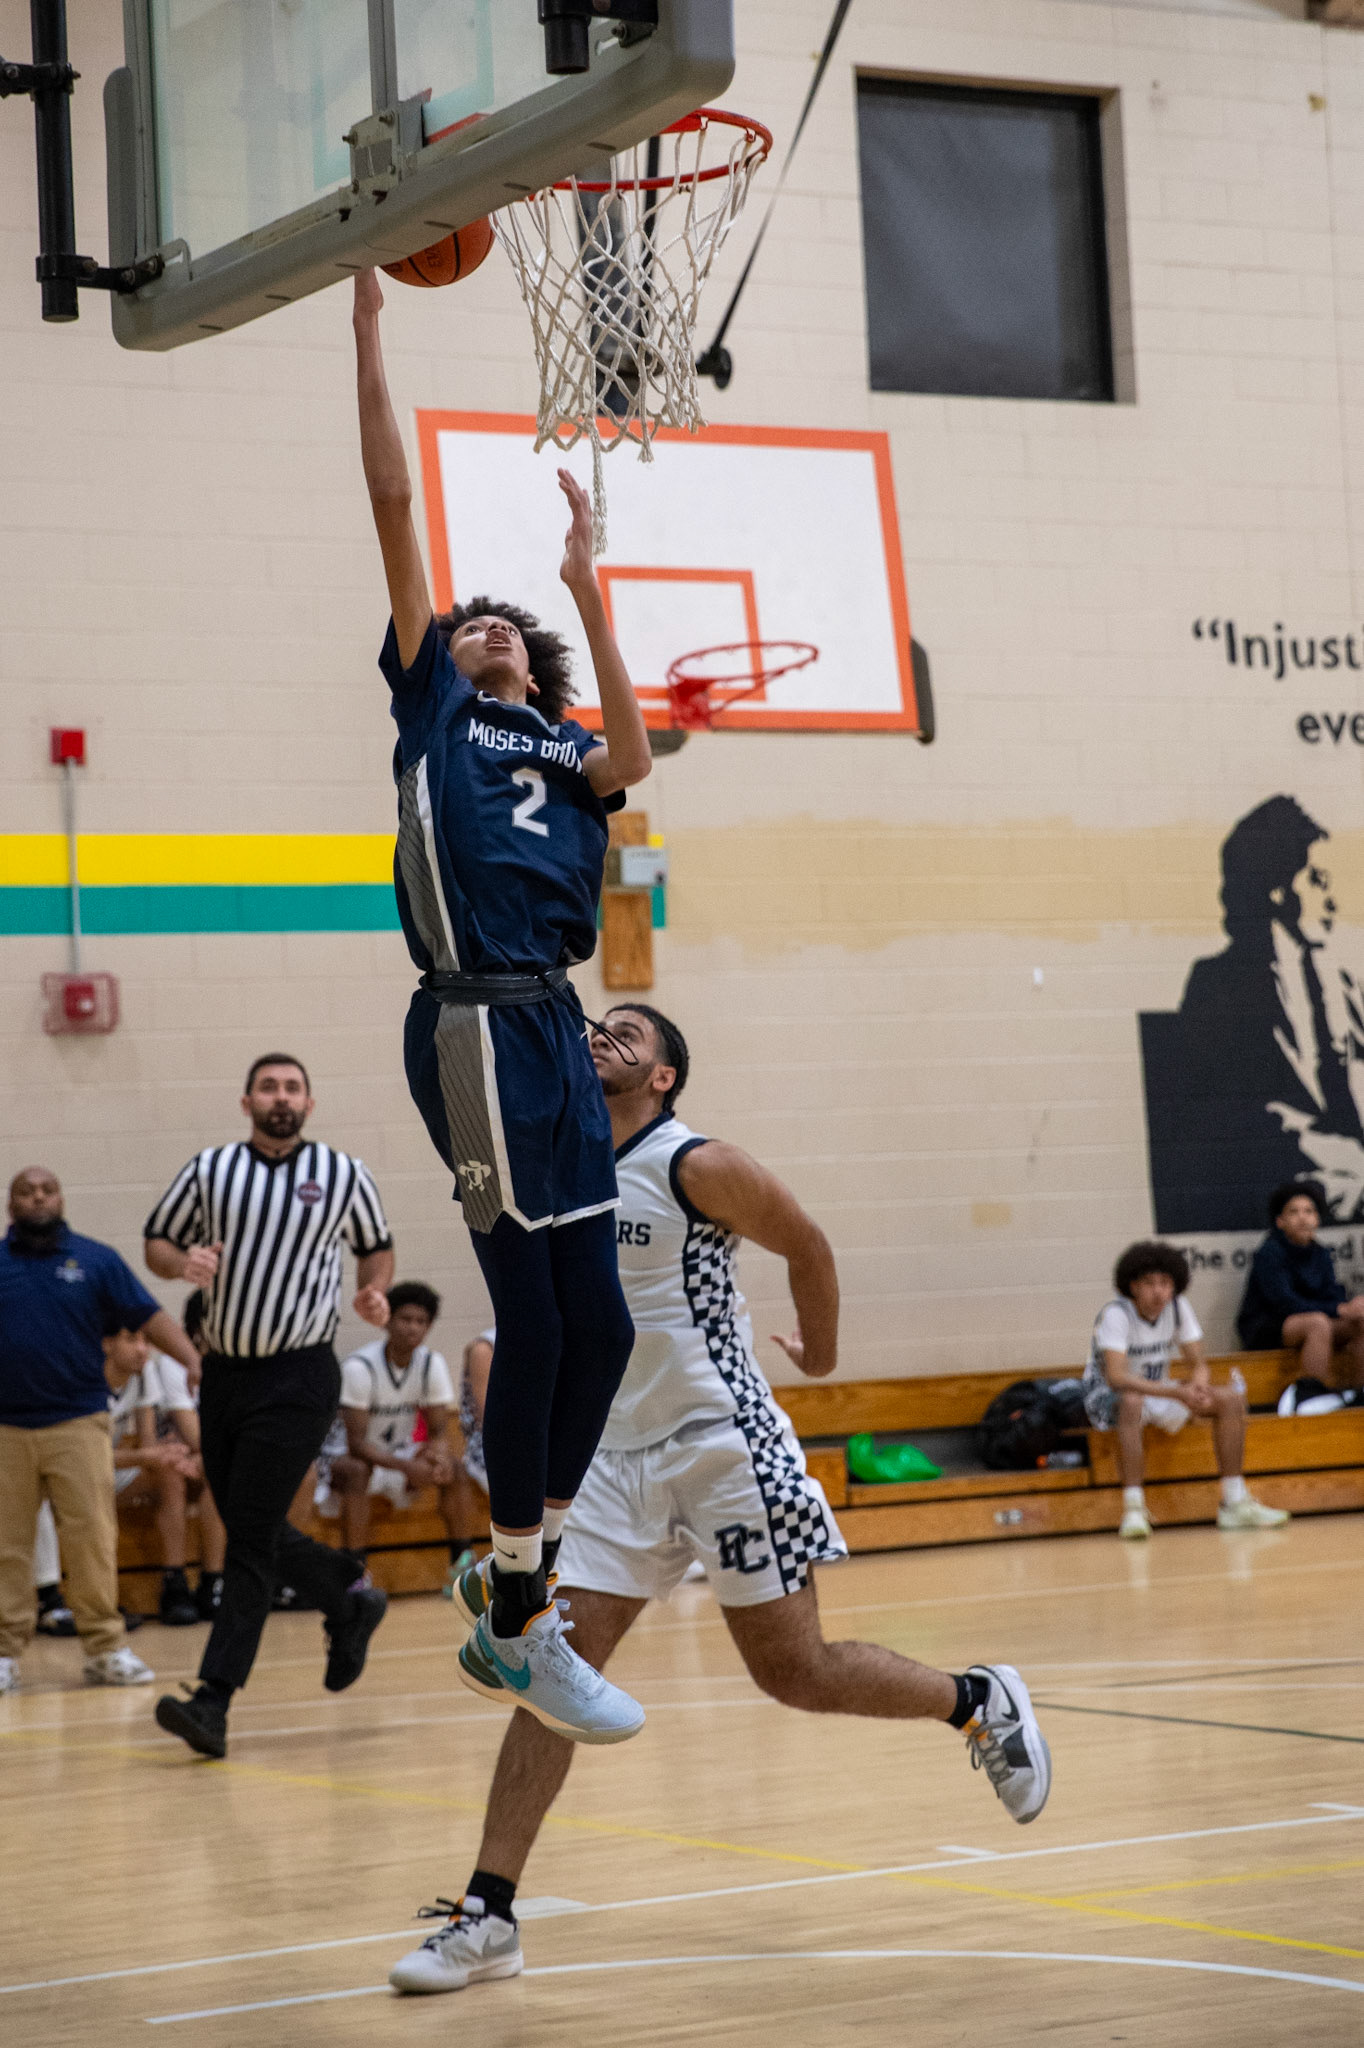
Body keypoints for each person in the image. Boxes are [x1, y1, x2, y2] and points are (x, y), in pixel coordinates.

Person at [388, 1005, 1052, 1996]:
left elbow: (807, 1244)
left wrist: (820, 1355)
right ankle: (487, 1915)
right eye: (598, 1026)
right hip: (610, 1458)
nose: (604, 1035)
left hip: (719, 1442)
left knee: (795, 1672)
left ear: (664, 1076)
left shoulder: (694, 1161)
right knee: (553, 1678)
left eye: (629, 1032)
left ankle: (976, 1701)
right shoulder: (557, 1162)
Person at [352, 270, 651, 1742]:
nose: (480, 630)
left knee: (603, 1327)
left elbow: (634, 763)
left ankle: (518, 1581)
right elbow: (396, 508)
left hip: (555, 1022)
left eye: (500, 627)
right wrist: (367, 333)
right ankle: (525, 1613)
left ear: (535, 660)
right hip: (472, 1017)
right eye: (464, 625)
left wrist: (587, 587)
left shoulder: (568, 741)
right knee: (530, 1315)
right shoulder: (438, 712)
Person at [143, 1053, 395, 1757]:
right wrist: (181, 1264)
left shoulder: (343, 1173)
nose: (280, 1097)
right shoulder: (211, 1169)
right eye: (268, 1087)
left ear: (308, 1104)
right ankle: (347, 1597)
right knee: (247, 1523)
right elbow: (157, 1242)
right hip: (224, 1374)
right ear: (247, 1101)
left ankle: (214, 1700)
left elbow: (377, 1248)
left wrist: (374, 1290)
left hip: (299, 1374)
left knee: (250, 1535)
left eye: (292, 1088)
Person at [0, 1165, 201, 1693]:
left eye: (47, 1190)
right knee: (7, 1545)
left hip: (78, 1422)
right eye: (26, 1191)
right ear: (11, 1204)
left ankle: (105, 1648)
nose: (38, 1197)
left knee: (91, 1538)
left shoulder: (96, 1260)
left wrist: (191, 1359)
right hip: (6, 1430)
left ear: (61, 1199)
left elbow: (149, 1315)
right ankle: (3, 1652)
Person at [1083, 1240, 1290, 1541]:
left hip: (1157, 1391)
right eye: (1149, 1283)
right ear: (1133, 1286)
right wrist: (1177, 1393)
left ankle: (1234, 1502)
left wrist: (1198, 1387)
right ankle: (1134, 1509)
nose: (1158, 1292)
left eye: (1165, 1283)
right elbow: (1117, 1377)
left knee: (1229, 1399)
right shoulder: (1116, 1314)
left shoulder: (1178, 1308)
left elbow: (1199, 1364)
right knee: (1132, 1402)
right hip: (1107, 1397)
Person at [325, 1283, 482, 1577]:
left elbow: (438, 1432)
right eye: (405, 1319)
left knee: (455, 1469)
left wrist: (437, 1458)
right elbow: (356, 1445)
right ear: (387, 1321)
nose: (413, 1328)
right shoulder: (360, 1367)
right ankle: (355, 1571)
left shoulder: (431, 1363)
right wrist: (408, 1467)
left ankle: (462, 1566)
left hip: (396, 1456)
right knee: (358, 1470)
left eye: (421, 1321)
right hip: (344, 1459)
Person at [106, 1322, 227, 1625]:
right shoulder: (85, 1377)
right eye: (132, 1339)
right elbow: (86, 1458)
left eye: (145, 1341)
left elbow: (147, 1445)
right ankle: (100, 1600)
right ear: (106, 1344)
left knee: (170, 1472)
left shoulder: (145, 1372)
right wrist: (148, 1455)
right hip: (81, 1471)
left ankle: (177, 1583)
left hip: (113, 1466)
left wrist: (167, 1455)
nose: (143, 1350)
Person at [1237, 1181, 1364, 1388]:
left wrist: (1350, 1307)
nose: (1302, 1217)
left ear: (1317, 1219)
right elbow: (1284, 1304)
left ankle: (1359, 1392)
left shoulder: (1321, 1253)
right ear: (1280, 1221)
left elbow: (1332, 1294)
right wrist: (1338, 1309)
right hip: (1267, 1326)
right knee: (1318, 1323)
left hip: (1313, 1319)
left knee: (1359, 1320)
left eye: (1309, 1211)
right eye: (1294, 1212)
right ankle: (1310, 1396)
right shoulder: (1269, 1253)